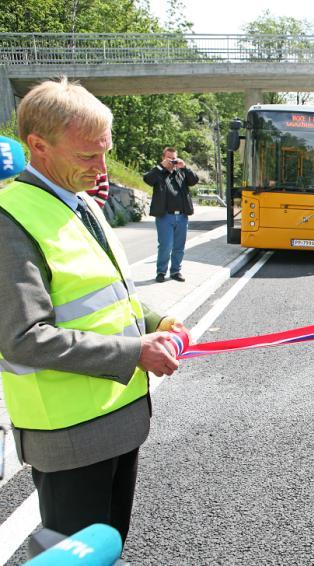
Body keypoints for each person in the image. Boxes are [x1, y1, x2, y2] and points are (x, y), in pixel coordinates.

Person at [0, 77, 186, 543]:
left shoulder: (79, 200)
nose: (101, 167)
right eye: (88, 155)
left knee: (106, 547)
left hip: (116, 418)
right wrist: (134, 352)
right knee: (71, 552)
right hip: (68, 434)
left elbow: (105, 293)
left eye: (105, 151)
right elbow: (23, 338)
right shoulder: (11, 220)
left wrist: (154, 320)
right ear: (38, 146)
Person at [143, 146, 198, 283]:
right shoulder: (158, 173)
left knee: (179, 246)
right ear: (163, 158)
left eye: (174, 158)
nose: (172, 161)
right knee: (165, 245)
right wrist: (161, 167)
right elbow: (147, 179)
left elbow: (194, 180)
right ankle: (161, 272)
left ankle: (175, 271)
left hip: (182, 216)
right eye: (169, 158)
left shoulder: (181, 172)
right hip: (165, 216)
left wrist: (184, 167)